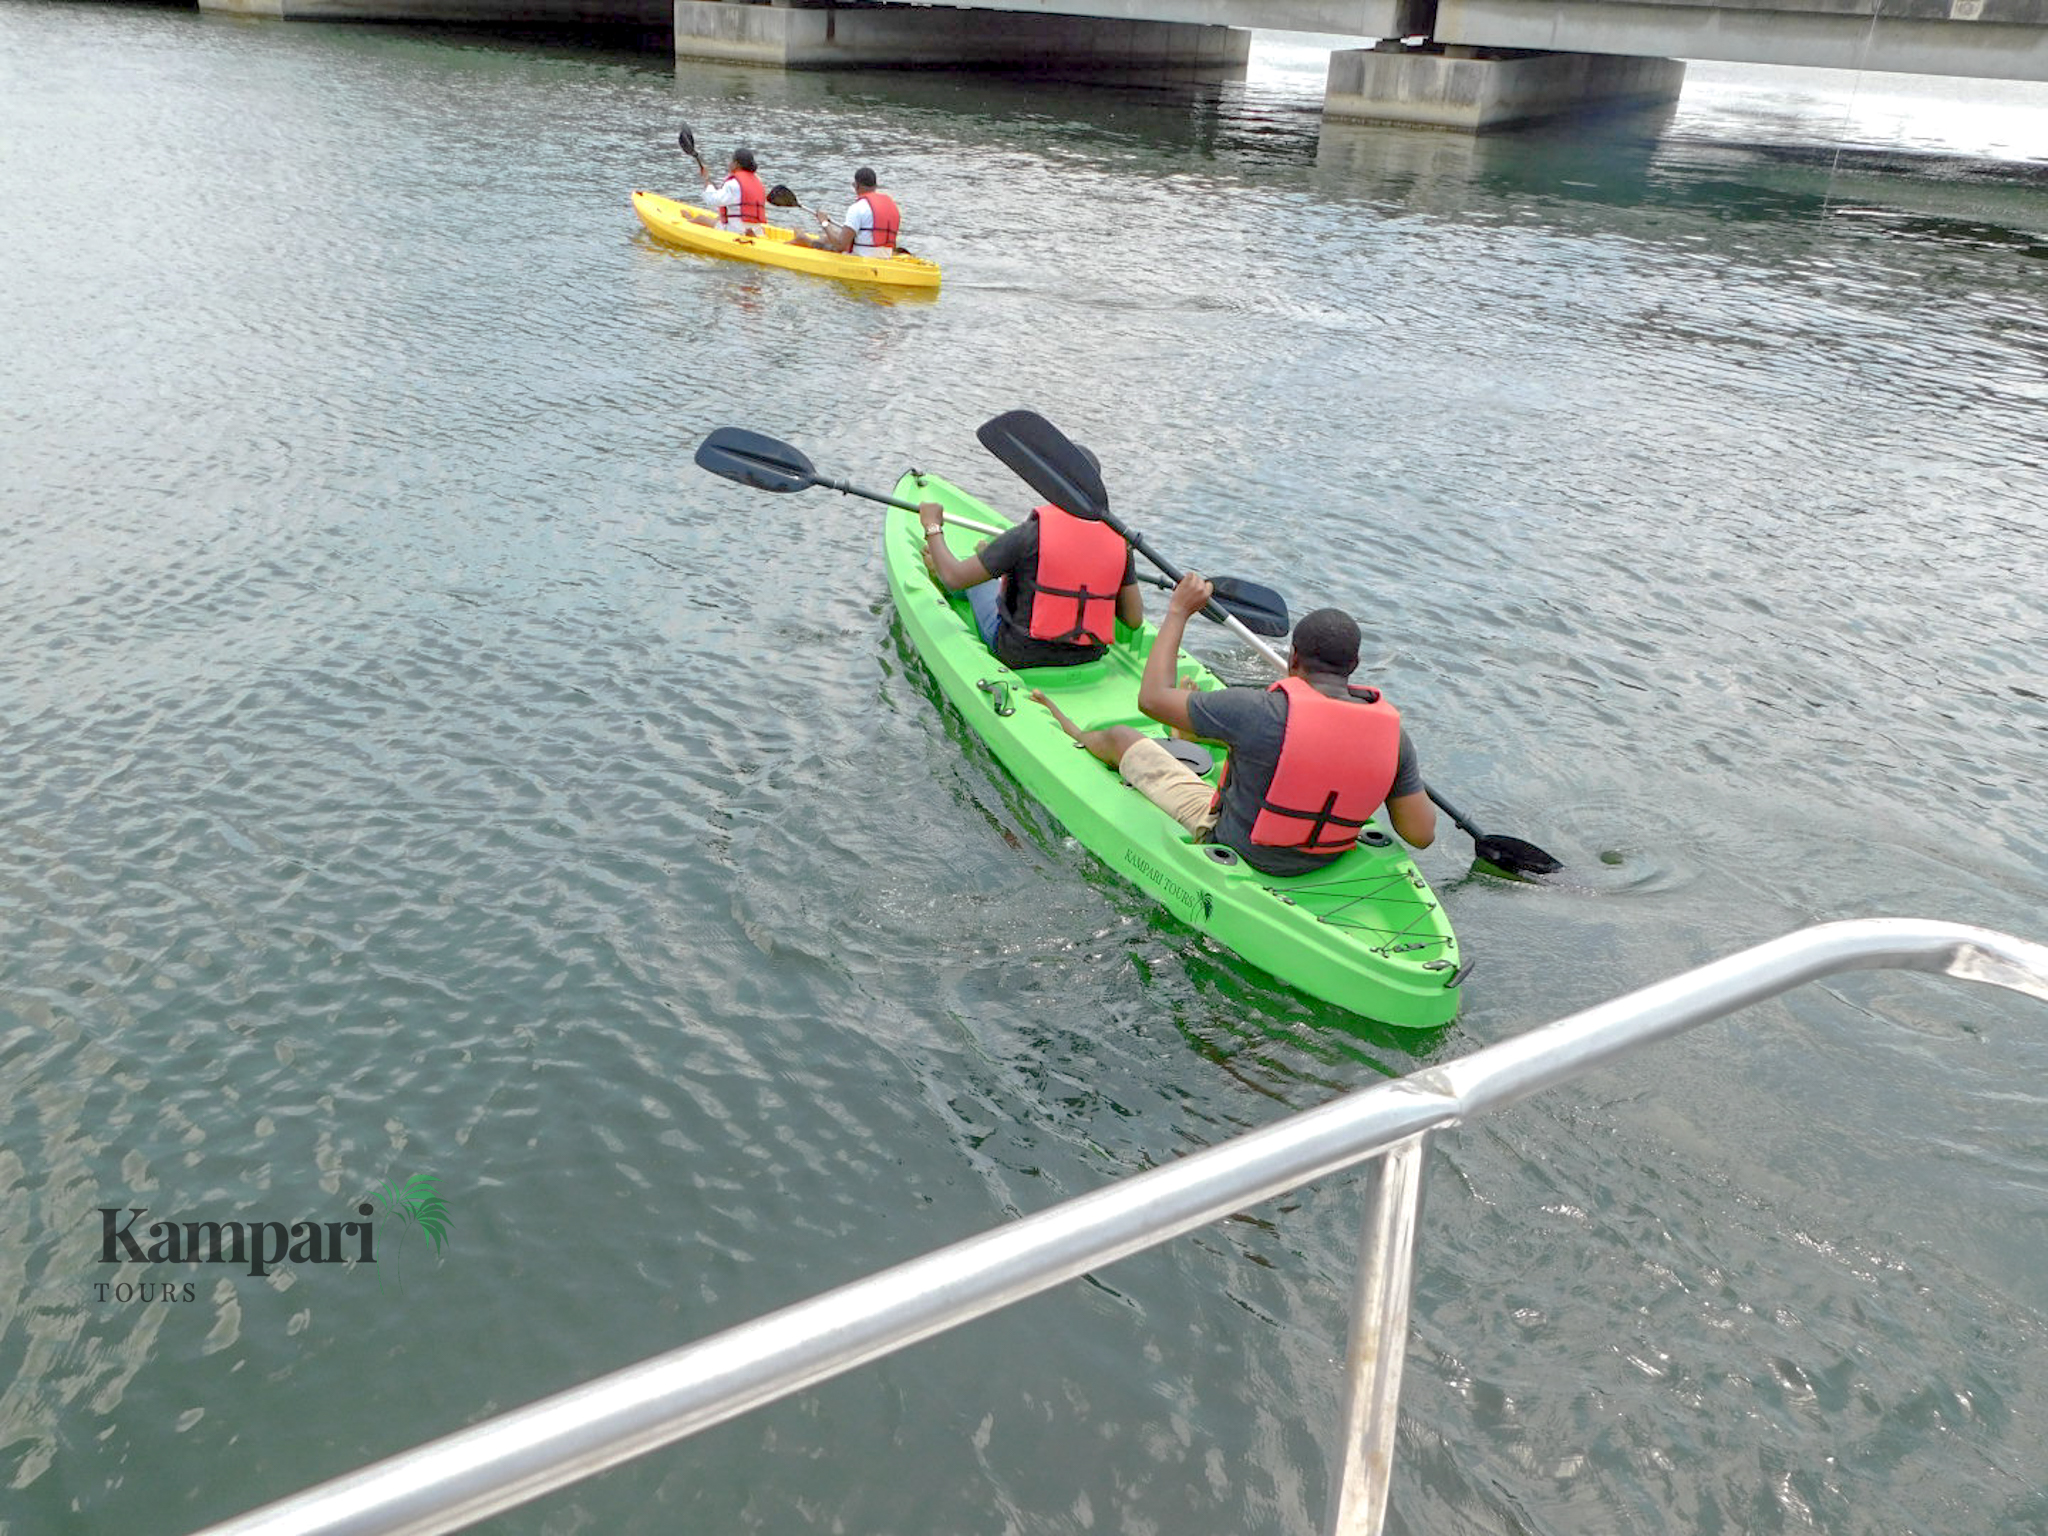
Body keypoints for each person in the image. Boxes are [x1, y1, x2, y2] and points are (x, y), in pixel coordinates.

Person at [1034, 573, 1435, 875]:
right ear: (1354, 667)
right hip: (1324, 860)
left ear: (1293, 659)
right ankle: (1189, 734)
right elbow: (1420, 833)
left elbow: (1152, 699)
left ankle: (1077, 733)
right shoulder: (1393, 738)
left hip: (1240, 850)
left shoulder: (1255, 710)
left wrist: (1178, 611)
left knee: (1122, 737)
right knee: (1263, 753)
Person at [918, 497, 1143, 670]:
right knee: (997, 572)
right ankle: (985, 562)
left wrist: (932, 526)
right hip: (1087, 657)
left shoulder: (1028, 535)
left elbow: (955, 577)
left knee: (972, 581)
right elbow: (1133, 619)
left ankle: (953, 571)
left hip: (1019, 654)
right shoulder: (1119, 543)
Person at [791, 168, 900, 257]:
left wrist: (824, 222)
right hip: (885, 257)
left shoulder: (857, 208)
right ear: (875, 186)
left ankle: (804, 240)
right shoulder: (892, 205)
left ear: (856, 185)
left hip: (861, 259)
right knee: (828, 237)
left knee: (831, 243)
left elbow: (840, 246)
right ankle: (808, 238)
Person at [703, 147, 766, 236]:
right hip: (756, 231)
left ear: (736, 164)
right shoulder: (758, 181)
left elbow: (712, 200)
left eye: (731, 161)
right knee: (718, 218)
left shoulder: (733, 184)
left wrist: (706, 179)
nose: (729, 163)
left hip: (735, 231)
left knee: (700, 219)